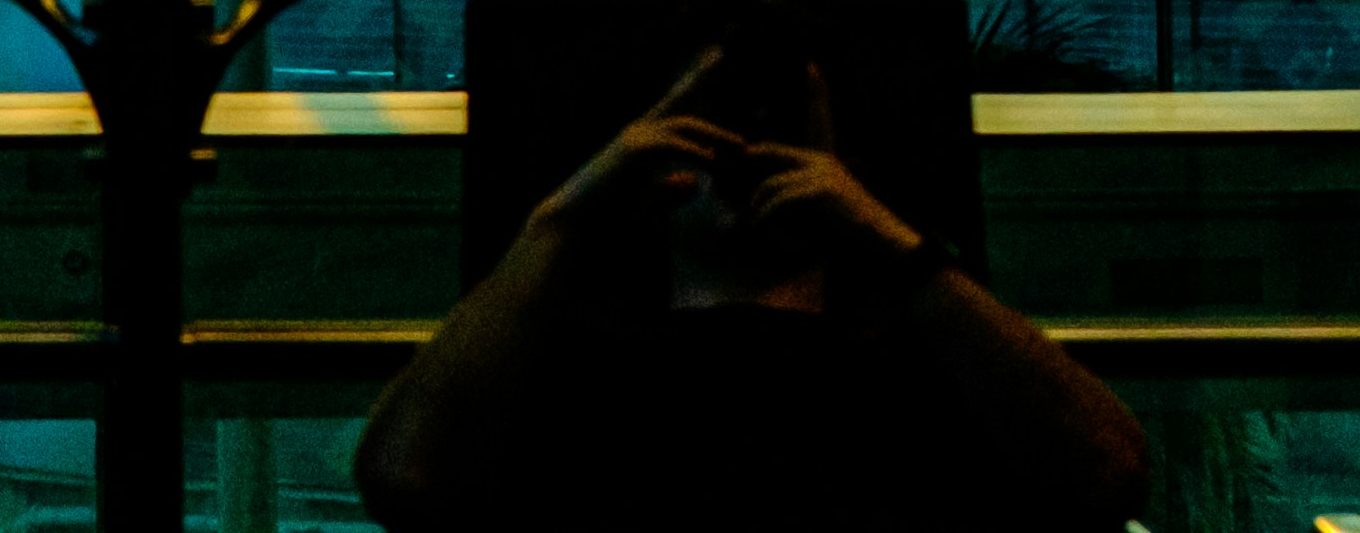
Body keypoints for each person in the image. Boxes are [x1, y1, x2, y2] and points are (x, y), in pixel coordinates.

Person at [353, 39, 1147, 533]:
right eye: (709, 122)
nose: (744, 148)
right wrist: (562, 221)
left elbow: (1108, 475)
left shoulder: (925, 368)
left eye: (785, 128)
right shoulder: (573, 369)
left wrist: (891, 247)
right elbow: (403, 483)